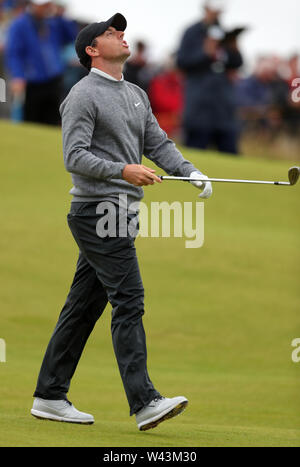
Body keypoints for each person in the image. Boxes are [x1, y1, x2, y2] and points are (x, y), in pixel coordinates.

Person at [30, 13, 213, 431]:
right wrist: (124, 170)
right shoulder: (82, 95)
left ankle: (49, 395)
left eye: (121, 31)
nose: (121, 36)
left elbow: (156, 142)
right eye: (111, 33)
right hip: (97, 211)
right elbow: (73, 157)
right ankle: (145, 401)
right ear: (92, 50)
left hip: (122, 211)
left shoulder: (134, 92)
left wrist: (189, 171)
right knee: (129, 299)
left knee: (82, 308)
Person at [177, 0, 243, 154]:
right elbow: (182, 62)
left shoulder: (224, 33)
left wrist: (234, 49)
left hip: (224, 110)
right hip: (199, 108)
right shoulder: (191, 32)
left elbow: (237, 63)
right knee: (194, 155)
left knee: (230, 155)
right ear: (205, 8)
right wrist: (205, 53)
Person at [5, 0, 77, 125]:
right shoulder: (19, 25)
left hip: (54, 78)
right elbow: (14, 53)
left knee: (53, 119)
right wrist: (17, 76)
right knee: (31, 120)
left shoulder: (53, 23)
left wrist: (59, 15)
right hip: (32, 80)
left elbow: (71, 36)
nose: (45, 8)